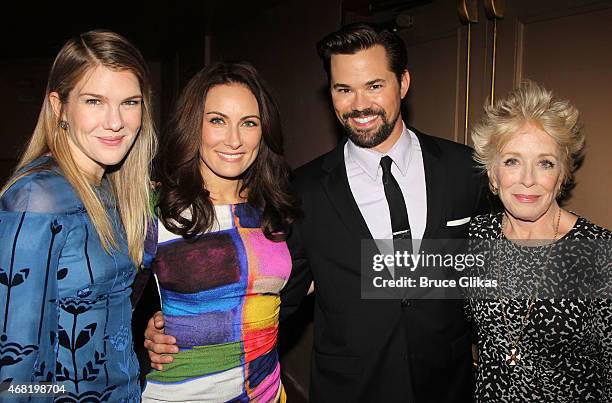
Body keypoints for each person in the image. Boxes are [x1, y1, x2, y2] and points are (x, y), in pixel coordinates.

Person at [145, 23, 488, 402]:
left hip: (449, 386)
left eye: (374, 85)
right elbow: (269, 291)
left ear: (402, 83)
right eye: (344, 89)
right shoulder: (300, 191)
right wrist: (172, 324)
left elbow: (495, 271)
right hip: (350, 390)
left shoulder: (466, 170)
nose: (359, 104)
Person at [0, 30, 156, 401]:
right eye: (94, 101)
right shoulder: (35, 199)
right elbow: (12, 370)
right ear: (59, 106)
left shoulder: (115, 188)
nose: (116, 121)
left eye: (129, 102)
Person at [140, 62, 300, 402]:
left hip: (266, 393)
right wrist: (143, 331)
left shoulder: (274, 206)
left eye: (249, 123)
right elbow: (105, 302)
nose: (234, 140)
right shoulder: (155, 207)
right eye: (217, 120)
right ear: (193, 126)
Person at [467, 81, 611, 401]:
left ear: (561, 175)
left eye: (545, 162)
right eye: (512, 161)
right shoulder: (477, 238)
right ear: (492, 174)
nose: (528, 179)